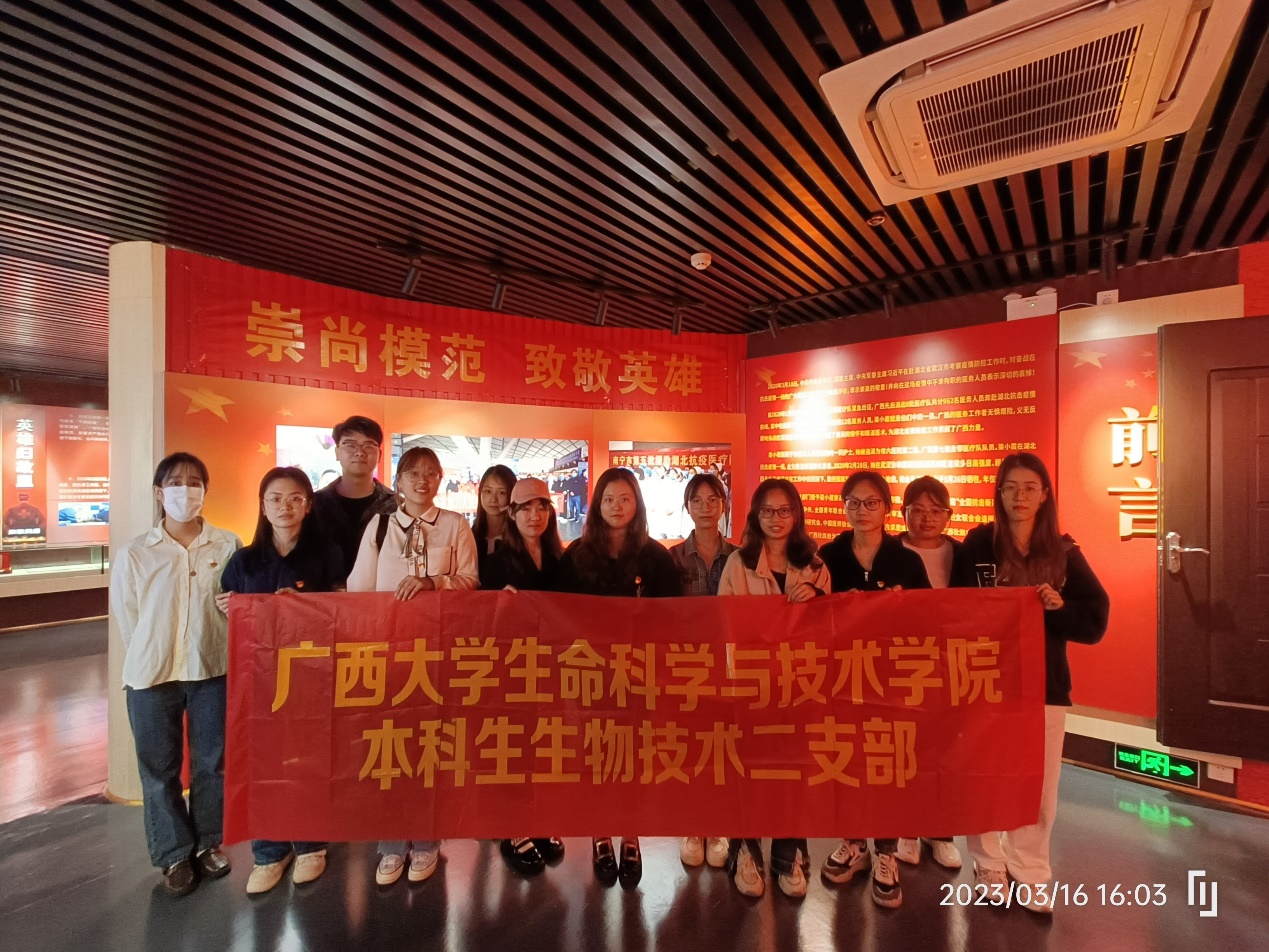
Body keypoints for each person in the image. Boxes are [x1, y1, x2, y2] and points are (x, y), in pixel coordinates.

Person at [961, 453, 1109, 915]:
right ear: (999, 493)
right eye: (1010, 487)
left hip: (1045, 684)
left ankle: (1030, 869)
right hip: (986, 681)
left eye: (1029, 488)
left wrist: (1058, 609)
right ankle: (989, 863)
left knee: (1040, 785)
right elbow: (955, 608)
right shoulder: (979, 543)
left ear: (1044, 495)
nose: (1019, 497)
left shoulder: (1063, 553)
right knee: (985, 777)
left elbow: (1094, 620)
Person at [109, 452, 242, 896]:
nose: (185, 490)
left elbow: (239, 603)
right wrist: (151, 653)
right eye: (175, 482)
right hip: (152, 675)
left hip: (212, 668)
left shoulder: (227, 544)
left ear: (205, 490)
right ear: (158, 492)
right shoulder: (135, 552)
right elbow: (128, 616)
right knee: (159, 769)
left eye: (194, 482)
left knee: (211, 764)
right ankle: (173, 854)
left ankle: (207, 843)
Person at [347, 446, 479, 887]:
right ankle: (390, 842)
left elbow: (471, 581)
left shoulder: (456, 525)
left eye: (431, 473)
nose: (422, 480)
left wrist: (432, 582)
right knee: (390, 747)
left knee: (431, 749)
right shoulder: (380, 526)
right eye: (413, 473)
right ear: (398, 481)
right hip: (390, 654)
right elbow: (359, 591)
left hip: (440, 654)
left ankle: (426, 840)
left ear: (440, 480)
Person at [216, 467, 344, 894]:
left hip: (312, 676)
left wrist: (304, 604)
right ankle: (269, 851)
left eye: (294, 498)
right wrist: (228, 607)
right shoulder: (244, 561)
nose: (284, 507)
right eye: (275, 499)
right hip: (259, 678)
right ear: (263, 505)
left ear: (308, 504)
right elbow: (229, 611)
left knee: (309, 758)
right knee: (262, 761)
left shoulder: (328, 555)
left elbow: (346, 609)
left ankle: (311, 845)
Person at [558, 467, 680, 888]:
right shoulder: (576, 555)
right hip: (590, 673)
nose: (616, 506)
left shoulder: (656, 558)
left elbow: (673, 618)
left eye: (625, 498)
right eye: (608, 499)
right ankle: (600, 833)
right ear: (597, 505)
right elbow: (555, 611)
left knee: (633, 756)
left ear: (637, 505)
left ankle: (630, 834)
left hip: (639, 675)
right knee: (595, 754)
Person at [817, 470, 930, 908]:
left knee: (884, 762)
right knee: (846, 758)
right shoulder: (828, 557)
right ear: (843, 506)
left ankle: (885, 852)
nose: (861, 511)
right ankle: (853, 843)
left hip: (891, 680)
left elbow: (929, 618)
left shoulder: (907, 561)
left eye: (871, 503)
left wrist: (902, 608)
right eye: (853, 502)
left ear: (886, 508)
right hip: (842, 677)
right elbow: (810, 616)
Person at [717, 478, 831, 899]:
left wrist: (816, 599)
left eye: (785, 511)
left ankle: (788, 854)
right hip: (751, 683)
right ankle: (746, 851)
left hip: (800, 684)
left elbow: (832, 627)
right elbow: (726, 625)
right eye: (767, 511)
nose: (776, 519)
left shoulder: (815, 566)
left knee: (792, 770)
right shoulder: (738, 563)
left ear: (796, 514)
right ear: (755, 516)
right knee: (748, 767)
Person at [480, 476, 567, 874]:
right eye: (526, 508)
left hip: (552, 668)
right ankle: (512, 826)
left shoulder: (561, 560)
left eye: (542, 507)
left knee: (545, 744)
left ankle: (541, 818)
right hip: (511, 669)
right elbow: (480, 621)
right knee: (513, 746)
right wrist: (500, 607)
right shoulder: (496, 562)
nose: (535, 516)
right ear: (512, 514)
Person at [891, 475, 977, 871]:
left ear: (948, 515)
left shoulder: (962, 555)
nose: (926, 518)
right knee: (905, 750)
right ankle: (906, 829)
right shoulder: (889, 551)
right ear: (903, 513)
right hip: (901, 663)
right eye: (918, 510)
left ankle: (941, 832)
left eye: (936, 510)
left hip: (951, 662)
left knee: (947, 751)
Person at [668, 472, 735, 871]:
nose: (706, 507)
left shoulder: (740, 556)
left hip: (729, 665)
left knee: (723, 744)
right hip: (687, 666)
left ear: (723, 505)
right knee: (691, 745)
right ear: (687, 507)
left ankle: (719, 823)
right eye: (697, 500)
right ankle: (693, 824)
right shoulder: (673, 558)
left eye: (713, 500)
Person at [310, 416, 397, 583]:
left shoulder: (396, 506)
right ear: (337, 452)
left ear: (379, 454)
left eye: (368, 446)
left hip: (380, 594)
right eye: (350, 445)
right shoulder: (315, 505)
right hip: (323, 594)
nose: (359, 452)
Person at [471, 464, 516, 578]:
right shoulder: (469, 535)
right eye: (487, 491)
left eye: (501, 492)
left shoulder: (519, 539)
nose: (493, 499)